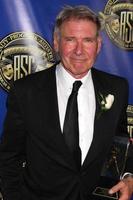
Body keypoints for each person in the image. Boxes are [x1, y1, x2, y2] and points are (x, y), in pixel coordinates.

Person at [0, 5, 133, 200]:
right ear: (56, 43)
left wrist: (129, 176)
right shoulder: (25, 91)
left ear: (99, 44)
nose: (79, 50)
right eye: (70, 40)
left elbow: (120, 140)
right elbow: (8, 157)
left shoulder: (117, 88)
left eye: (87, 40)